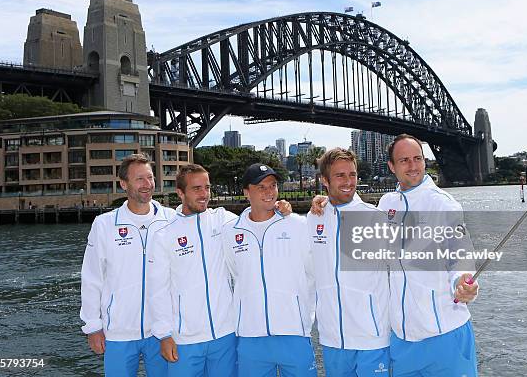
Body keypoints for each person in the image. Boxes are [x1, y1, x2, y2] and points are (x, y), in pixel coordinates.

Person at [148, 164, 293, 377]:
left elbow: (255, 219)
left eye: (207, 187)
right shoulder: (163, 235)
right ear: (180, 192)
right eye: (196, 188)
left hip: (226, 334)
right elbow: (157, 289)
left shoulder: (223, 220)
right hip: (185, 338)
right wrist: (164, 334)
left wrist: (280, 206)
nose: (204, 194)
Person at [378, 134, 479, 377]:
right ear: (392, 166)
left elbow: (461, 255)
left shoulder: (443, 204)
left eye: (417, 159)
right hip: (402, 340)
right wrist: (325, 205)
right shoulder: (386, 204)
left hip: (445, 335)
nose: (412, 166)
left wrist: (463, 283)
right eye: (404, 160)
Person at [80, 153, 176, 376]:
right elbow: (92, 277)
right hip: (118, 332)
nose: (147, 184)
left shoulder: (172, 219)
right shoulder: (104, 224)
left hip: (163, 331)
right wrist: (93, 326)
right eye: (139, 179)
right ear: (123, 184)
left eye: (150, 177)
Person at [221, 163, 316, 377]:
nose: (269, 192)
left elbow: (311, 274)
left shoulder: (297, 225)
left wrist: (304, 317)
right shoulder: (230, 231)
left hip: (294, 332)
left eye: (272, 186)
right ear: (246, 192)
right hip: (250, 334)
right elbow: (236, 273)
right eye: (261, 187)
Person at [307, 148, 391, 376]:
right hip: (332, 337)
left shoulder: (375, 217)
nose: (348, 181)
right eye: (340, 175)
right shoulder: (314, 218)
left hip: (372, 338)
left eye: (352, 174)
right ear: (325, 180)